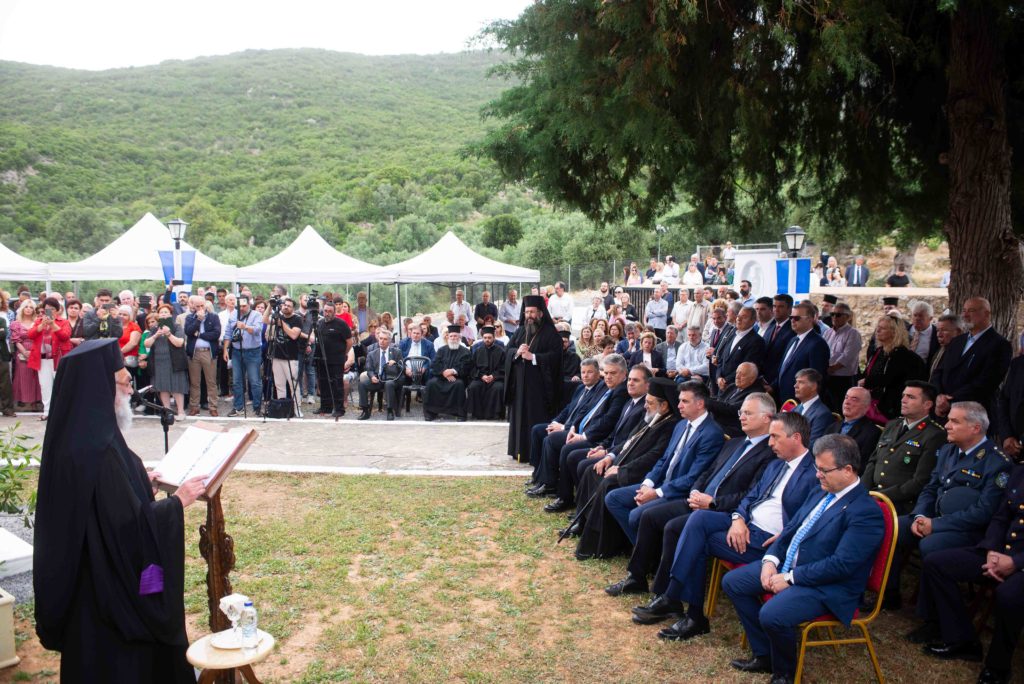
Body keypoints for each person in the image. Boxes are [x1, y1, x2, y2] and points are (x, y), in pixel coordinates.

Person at [33, 339, 206, 682]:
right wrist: (176, 503)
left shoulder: (79, 435)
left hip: (86, 593)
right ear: (100, 387)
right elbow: (126, 531)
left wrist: (141, 482)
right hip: (108, 605)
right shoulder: (97, 451)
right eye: (124, 383)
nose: (130, 391)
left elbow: (105, 503)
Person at [639, 411, 819, 642]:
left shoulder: (814, 473)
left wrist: (787, 535)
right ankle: (682, 604)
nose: (770, 443)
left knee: (697, 540)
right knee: (699, 520)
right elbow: (751, 497)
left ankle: (685, 607)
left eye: (775, 437)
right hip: (746, 525)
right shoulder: (776, 465)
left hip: (768, 541)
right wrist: (738, 518)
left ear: (796, 438)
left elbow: (813, 516)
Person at [722, 434, 884, 682]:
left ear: (848, 470)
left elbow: (842, 565)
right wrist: (770, 561)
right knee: (734, 582)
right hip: (794, 567)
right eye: (817, 468)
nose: (817, 475)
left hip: (828, 586)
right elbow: (789, 531)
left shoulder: (865, 512)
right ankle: (765, 654)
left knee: (772, 614)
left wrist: (791, 578)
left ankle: (784, 675)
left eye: (824, 470)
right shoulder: (822, 491)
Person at [614, 394, 777, 610]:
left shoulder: (770, 453)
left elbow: (750, 495)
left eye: (748, 413)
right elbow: (707, 471)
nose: (741, 417)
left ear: (767, 417)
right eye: (741, 412)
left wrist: (713, 502)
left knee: (673, 527)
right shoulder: (735, 442)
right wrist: (695, 492)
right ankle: (637, 577)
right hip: (698, 500)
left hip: (720, 510)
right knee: (649, 516)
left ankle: (667, 595)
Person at [888, 401, 1013, 609]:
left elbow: (983, 512)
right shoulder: (948, 450)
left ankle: (931, 615)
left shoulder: (997, 462)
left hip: (968, 531)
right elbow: (930, 488)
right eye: (948, 420)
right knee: (892, 527)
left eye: (954, 421)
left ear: (975, 428)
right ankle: (888, 594)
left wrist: (936, 525)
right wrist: (920, 516)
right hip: (933, 518)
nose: (947, 425)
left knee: (931, 545)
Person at [913, 464, 1024, 681]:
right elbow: (1001, 518)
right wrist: (991, 550)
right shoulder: (1019, 472)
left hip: (1020, 563)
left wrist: (1015, 562)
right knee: (937, 563)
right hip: (999, 553)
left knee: (1009, 595)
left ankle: (998, 667)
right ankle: (962, 640)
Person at [602, 382, 725, 555]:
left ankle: (645, 555)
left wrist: (657, 493)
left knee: (636, 515)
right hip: (661, 484)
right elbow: (664, 459)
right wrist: (647, 484)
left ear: (700, 404)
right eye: (679, 400)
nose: (679, 405)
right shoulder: (681, 425)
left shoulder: (711, 433)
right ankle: (646, 552)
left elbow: (693, 477)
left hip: (681, 493)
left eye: (685, 401)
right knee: (614, 498)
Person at [574, 377, 682, 559]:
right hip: (624, 464)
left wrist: (622, 470)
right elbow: (628, 441)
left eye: (649, 402)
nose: (645, 406)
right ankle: (584, 524)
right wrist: (609, 457)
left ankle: (604, 544)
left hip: (640, 474)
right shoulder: (651, 417)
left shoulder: (670, 425)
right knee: (592, 471)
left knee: (609, 483)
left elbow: (653, 457)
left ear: (664, 406)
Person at [533, 355, 629, 509]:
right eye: (606, 373)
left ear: (624, 374)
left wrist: (583, 436)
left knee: (565, 448)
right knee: (544, 433)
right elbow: (586, 412)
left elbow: (608, 421)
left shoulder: (620, 391)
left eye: (613, 373)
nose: (608, 377)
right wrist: (571, 427)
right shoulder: (610, 389)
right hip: (587, 431)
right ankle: (546, 481)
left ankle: (563, 496)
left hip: (599, 438)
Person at [863, 381, 946, 513]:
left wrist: (881, 496)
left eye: (911, 397)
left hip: (900, 504)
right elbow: (873, 461)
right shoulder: (892, 425)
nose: (903, 400)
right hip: (873, 496)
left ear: (927, 405)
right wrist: (864, 491)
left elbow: (921, 480)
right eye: (903, 396)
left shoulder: (934, 434)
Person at [933, 297, 1012, 420]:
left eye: (971, 311)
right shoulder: (957, 341)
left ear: (986, 314)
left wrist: (951, 400)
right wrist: (939, 396)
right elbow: (939, 371)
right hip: (943, 412)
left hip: (973, 415)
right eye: (964, 311)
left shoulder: (999, 345)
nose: (965, 315)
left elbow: (986, 382)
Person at [505, 295, 563, 462]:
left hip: (539, 388)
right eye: (527, 312)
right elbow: (507, 351)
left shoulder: (551, 333)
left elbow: (556, 358)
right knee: (519, 419)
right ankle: (518, 450)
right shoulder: (520, 331)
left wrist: (535, 357)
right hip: (519, 387)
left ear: (540, 313)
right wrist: (516, 352)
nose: (529, 315)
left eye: (532, 312)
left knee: (535, 418)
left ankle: (534, 453)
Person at [860, 314, 928, 421]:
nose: (877, 330)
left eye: (883, 328)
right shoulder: (878, 351)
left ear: (894, 332)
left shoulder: (901, 355)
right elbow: (868, 372)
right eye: (877, 327)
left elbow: (888, 378)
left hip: (889, 409)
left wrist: (866, 381)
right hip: (871, 404)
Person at [771, 302, 829, 406]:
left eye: (797, 318)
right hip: (783, 399)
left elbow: (817, 379)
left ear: (810, 319)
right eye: (791, 317)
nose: (792, 320)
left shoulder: (817, 344)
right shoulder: (793, 340)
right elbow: (784, 369)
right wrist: (772, 386)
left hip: (800, 402)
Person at [28, 297, 72, 421]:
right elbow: (30, 335)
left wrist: (53, 324)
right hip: (42, 359)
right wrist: (42, 325)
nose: (49, 311)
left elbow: (65, 336)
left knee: (61, 385)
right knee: (45, 386)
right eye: (47, 309)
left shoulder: (63, 322)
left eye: (52, 309)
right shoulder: (38, 321)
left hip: (58, 358)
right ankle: (47, 411)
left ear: (57, 310)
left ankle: (63, 412)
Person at [263, 298, 307, 416]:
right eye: (284, 305)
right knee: (279, 384)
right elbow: (264, 320)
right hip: (276, 355)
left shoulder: (297, 319)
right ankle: (282, 408)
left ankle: (297, 408)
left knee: (293, 384)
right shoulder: (278, 316)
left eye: (289, 306)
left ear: (293, 308)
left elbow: (294, 335)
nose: (286, 307)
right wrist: (270, 306)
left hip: (291, 357)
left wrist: (281, 324)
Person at [144, 303, 188, 420]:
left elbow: (179, 343)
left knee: (177, 386)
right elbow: (146, 344)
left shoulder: (176, 327)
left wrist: (168, 334)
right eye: (161, 312)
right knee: (163, 387)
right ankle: (167, 411)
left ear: (171, 314)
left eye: (166, 312)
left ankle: (181, 412)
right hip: (159, 362)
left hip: (174, 361)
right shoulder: (154, 328)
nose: (163, 314)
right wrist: (155, 335)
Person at [310, 301, 351, 417]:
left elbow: (349, 342)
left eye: (330, 311)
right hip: (322, 359)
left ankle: (339, 409)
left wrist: (343, 354)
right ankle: (325, 407)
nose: (327, 313)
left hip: (336, 360)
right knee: (323, 383)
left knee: (337, 384)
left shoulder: (341, 324)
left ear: (334, 312)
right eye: (325, 311)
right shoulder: (320, 323)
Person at [423, 325, 472, 421]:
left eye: (455, 336)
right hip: (441, 376)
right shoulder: (441, 350)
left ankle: (459, 413)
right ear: (448, 337)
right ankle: (431, 412)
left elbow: (466, 367)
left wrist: (453, 371)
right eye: (451, 336)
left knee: (458, 385)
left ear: (459, 337)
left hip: (457, 377)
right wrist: (444, 372)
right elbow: (435, 364)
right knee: (431, 384)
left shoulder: (465, 351)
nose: (453, 338)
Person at [225, 296, 264, 417]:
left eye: (244, 306)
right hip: (237, 351)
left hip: (253, 351)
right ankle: (238, 407)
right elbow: (228, 333)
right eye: (239, 306)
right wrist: (225, 349)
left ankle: (257, 407)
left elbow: (257, 330)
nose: (241, 308)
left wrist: (245, 327)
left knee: (254, 381)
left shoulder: (256, 315)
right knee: (237, 381)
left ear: (249, 304)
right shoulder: (233, 315)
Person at [713, 306, 765, 396]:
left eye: (744, 317)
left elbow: (748, 368)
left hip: (737, 389)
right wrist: (718, 377)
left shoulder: (757, 341)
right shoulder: (732, 333)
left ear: (753, 321)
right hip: (721, 386)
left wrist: (726, 381)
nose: (739, 319)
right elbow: (721, 359)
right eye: (738, 316)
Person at [183, 296, 220, 418]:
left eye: (202, 306)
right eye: (197, 306)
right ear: (193, 306)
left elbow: (216, 334)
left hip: (208, 352)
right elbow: (188, 331)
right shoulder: (190, 317)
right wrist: (198, 320)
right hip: (194, 353)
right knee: (194, 382)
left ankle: (213, 407)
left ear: (205, 305)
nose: (200, 308)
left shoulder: (213, 317)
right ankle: (194, 407)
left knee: (211, 382)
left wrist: (200, 335)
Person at [359, 329, 405, 421]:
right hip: (378, 379)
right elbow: (369, 369)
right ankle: (365, 410)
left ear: (389, 341)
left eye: (385, 339)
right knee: (361, 384)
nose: (382, 341)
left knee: (389, 384)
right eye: (380, 338)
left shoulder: (396, 352)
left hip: (393, 379)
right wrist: (372, 376)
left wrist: (395, 363)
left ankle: (390, 410)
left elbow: (402, 367)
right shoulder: (372, 354)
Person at [823, 303, 861, 407]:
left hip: (843, 380)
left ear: (847, 317)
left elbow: (848, 356)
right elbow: (823, 351)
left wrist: (832, 368)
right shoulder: (828, 332)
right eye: (832, 314)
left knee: (841, 407)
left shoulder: (853, 333)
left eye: (838, 315)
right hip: (827, 377)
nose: (834, 317)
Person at [834, 387, 883, 467]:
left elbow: (862, 465)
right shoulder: (832, 426)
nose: (847, 402)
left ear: (866, 407)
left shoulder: (872, 433)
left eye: (854, 399)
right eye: (846, 397)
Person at [466, 326, 506, 420]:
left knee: (498, 388)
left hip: (496, 378)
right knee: (473, 387)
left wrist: (493, 376)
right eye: (485, 338)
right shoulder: (477, 351)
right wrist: (482, 376)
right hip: (480, 377)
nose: (487, 340)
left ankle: (495, 414)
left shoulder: (501, 351)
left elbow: (504, 368)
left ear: (494, 338)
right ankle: (477, 414)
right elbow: (472, 367)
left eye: (489, 338)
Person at [11, 301, 42, 411]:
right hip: (22, 352)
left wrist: (34, 351)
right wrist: (24, 352)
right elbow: (16, 340)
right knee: (23, 377)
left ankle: (36, 402)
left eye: (31, 307)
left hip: (37, 351)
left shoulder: (38, 322)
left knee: (36, 377)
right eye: (26, 307)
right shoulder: (16, 323)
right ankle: (24, 403)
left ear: (34, 310)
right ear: (22, 309)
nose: (28, 309)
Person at [929, 313, 966, 383]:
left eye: (944, 330)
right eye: (937, 330)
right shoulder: (940, 351)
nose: (939, 335)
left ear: (958, 332)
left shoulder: (965, 354)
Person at [908, 300, 940, 367]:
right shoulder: (904, 330)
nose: (917, 318)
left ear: (930, 318)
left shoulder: (937, 334)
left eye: (921, 316)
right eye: (915, 315)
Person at [0, 309, 13, 417]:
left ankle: (7, 408)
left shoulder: (2, 320)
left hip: (2, 356)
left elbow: (3, 334)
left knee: (5, 384)